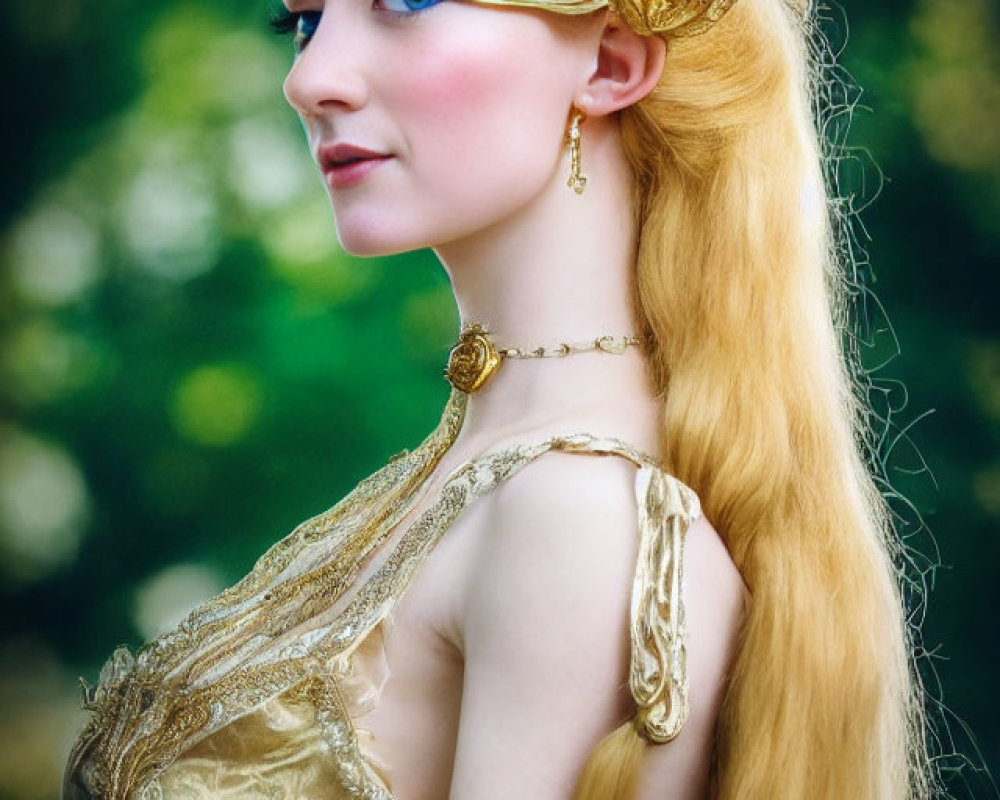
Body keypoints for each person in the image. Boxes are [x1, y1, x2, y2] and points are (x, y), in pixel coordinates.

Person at [62, 0, 937, 797]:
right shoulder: (476, 473)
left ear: (610, 64)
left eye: (406, 2)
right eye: (303, 21)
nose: (308, 78)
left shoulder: (574, 517)